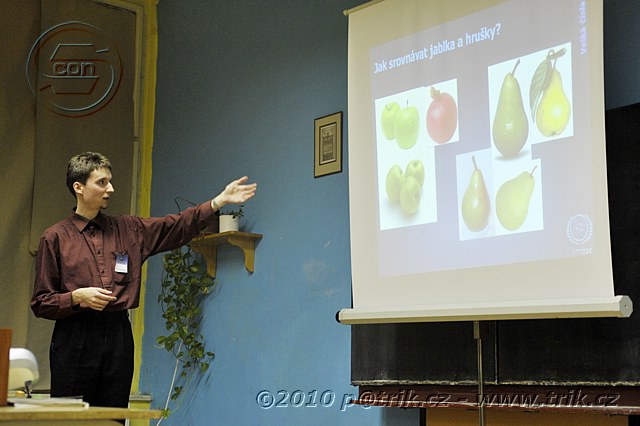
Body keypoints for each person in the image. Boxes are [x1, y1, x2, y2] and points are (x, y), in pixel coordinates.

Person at [31, 152, 257, 410]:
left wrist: (218, 202)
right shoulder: (55, 238)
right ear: (78, 187)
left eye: (111, 181)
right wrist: (76, 297)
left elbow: (174, 226)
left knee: (113, 414)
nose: (111, 189)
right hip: (75, 336)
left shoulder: (129, 229)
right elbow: (41, 303)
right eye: (102, 182)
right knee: (70, 418)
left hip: (118, 335)